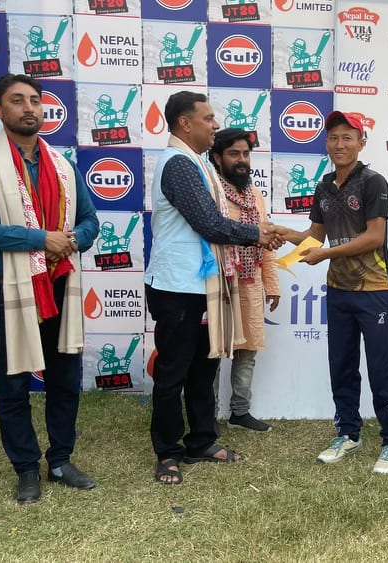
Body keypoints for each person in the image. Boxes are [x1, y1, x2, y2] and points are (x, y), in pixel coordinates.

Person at [0, 73, 100, 504]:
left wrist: (72, 239)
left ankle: (60, 460)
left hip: (60, 285)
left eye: (35, 101)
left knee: (65, 380)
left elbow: (91, 222)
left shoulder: (63, 166)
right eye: (17, 100)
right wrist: (43, 239)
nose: (29, 108)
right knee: (14, 384)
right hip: (12, 291)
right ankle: (26, 468)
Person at [144, 92, 281, 485]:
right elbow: (209, 223)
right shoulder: (178, 164)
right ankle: (168, 451)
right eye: (208, 118)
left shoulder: (199, 163)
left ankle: (202, 440)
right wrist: (257, 234)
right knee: (173, 373)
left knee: (204, 369)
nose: (215, 124)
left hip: (204, 284)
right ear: (185, 123)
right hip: (177, 287)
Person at [278, 111, 388, 475]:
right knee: (342, 365)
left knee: (381, 367)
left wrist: (326, 254)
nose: (339, 144)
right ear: (326, 144)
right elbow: (315, 237)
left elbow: (374, 237)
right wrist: (283, 233)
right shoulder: (324, 187)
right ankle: (348, 433)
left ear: (361, 143)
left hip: (373, 289)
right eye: (333, 137)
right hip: (338, 290)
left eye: (347, 137)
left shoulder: (373, 182)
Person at [210, 128, 279, 433]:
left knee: (247, 351)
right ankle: (207, 415)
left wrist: (272, 286)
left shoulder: (255, 195)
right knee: (213, 352)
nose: (242, 160)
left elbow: (266, 241)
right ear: (217, 158)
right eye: (234, 154)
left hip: (250, 283)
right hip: (219, 283)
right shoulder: (210, 191)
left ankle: (240, 412)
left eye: (246, 154)